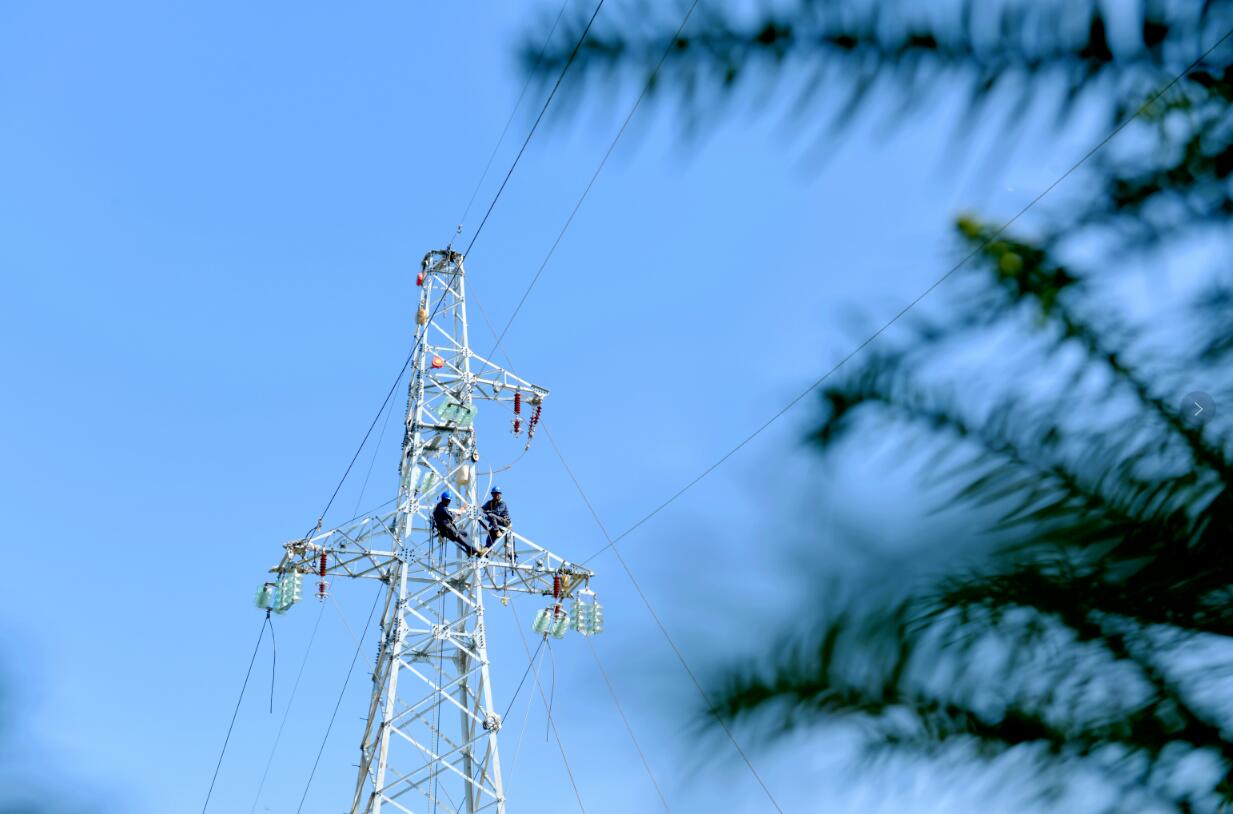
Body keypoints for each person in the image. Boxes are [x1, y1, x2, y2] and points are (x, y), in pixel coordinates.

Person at [432, 492, 479, 557]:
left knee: (464, 533)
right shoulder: (442, 507)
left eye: (448, 501)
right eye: (447, 500)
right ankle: (473, 549)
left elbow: (449, 516)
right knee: (460, 537)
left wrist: (458, 512)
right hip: (447, 530)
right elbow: (450, 516)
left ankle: (469, 550)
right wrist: (459, 511)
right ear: (443, 499)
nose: (448, 502)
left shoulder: (441, 507)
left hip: (449, 529)